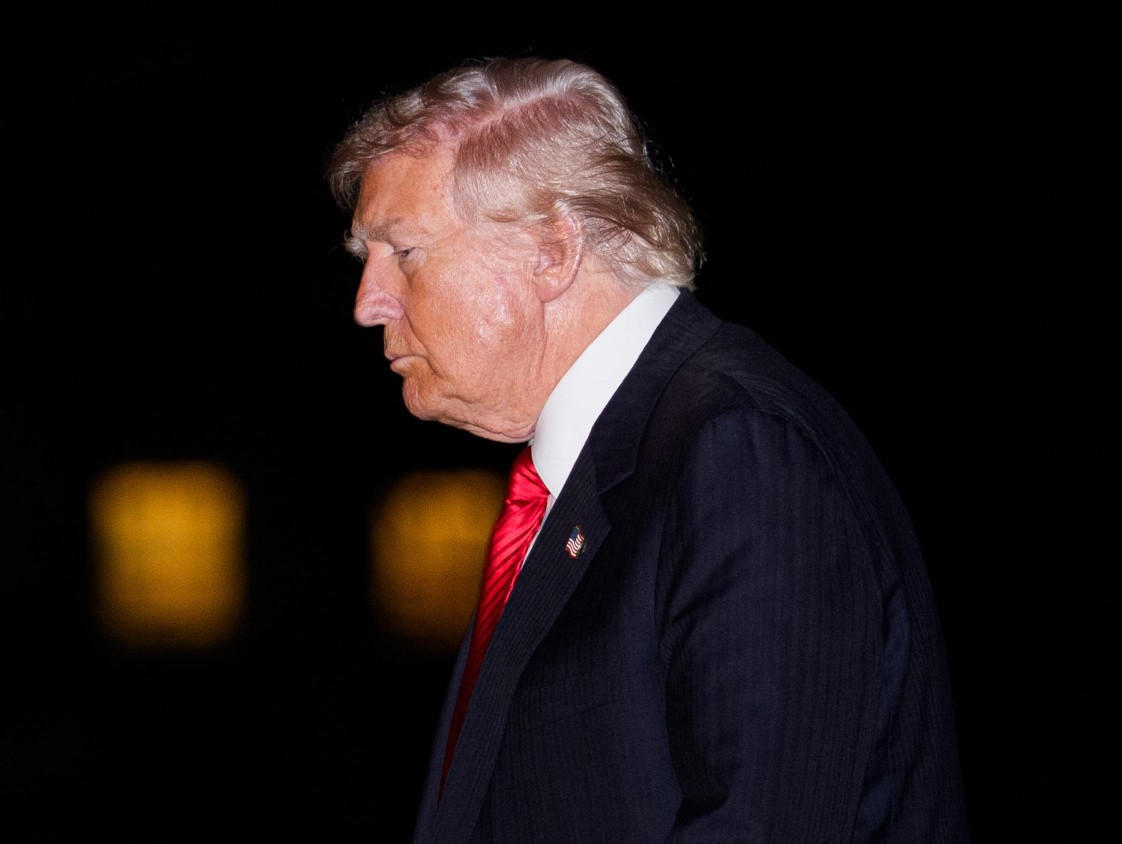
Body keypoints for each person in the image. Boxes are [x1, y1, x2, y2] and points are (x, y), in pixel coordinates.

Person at [326, 56, 969, 843]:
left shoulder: (741, 452)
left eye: (405, 252)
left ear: (552, 252)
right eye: (368, 262)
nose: (369, 304)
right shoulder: (601, 475)